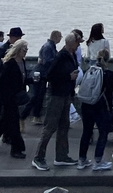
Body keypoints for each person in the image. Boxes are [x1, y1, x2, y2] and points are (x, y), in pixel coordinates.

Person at [32, 32, 80, 170]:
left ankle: (61, 156)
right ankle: (38, 157)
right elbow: (50, 75)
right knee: (50, 127)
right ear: (70, 43)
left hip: (65, 96)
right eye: (77, 42)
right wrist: (68, 77)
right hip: (56, 96)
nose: (78, 45)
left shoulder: (72, 55)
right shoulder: (60, 56)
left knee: (64, 126)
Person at [0, 39, 29, 159]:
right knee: (14, 123)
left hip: (15, 96)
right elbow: (0, 81)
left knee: (5, 122)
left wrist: (32, 81)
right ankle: (16, 149)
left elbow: (22, 79)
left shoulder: (22, 62)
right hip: (7, 97)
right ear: (18, 50)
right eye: (24, 50)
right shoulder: (10, 64)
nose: (26, 52)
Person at [77, 48, 113, 171]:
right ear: (108, 59)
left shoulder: (90, 70)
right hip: (100, 106)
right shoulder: (108, 74)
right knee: (103, 132)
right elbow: (109, 94)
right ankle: (98, 161)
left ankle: (82, 160)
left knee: (86, 132)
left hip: (86, 104)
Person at [24, 30, 60, 125]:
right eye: (60, 37)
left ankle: (36, 116)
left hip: (42, 74)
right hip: (40, 74)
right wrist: (57, 60)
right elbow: (47, 61)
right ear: (55, 37)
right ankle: (25, 115)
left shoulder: (50, 46)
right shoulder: (49, 47)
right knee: (36, 96)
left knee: (39, 96)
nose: (61, 39)